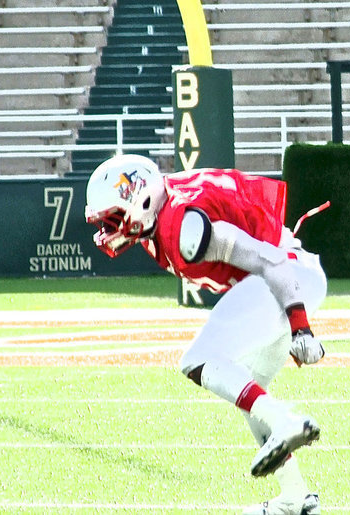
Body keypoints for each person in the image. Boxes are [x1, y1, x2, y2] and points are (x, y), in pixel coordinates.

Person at [84, 154, 327, 515]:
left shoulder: (183, 226)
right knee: (247, 382)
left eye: (113, 218)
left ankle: (285, 421)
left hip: (285, 277)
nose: (109, 230)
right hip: (280, 283)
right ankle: (295, 497)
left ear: (141, 199)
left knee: (196, 360)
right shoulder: (163, 217)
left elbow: (269, 259)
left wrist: (298, 323)